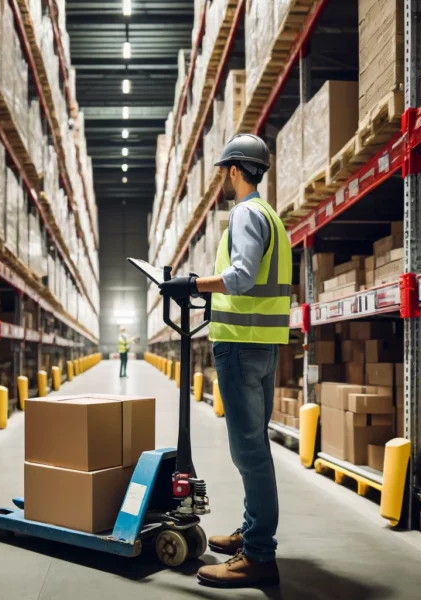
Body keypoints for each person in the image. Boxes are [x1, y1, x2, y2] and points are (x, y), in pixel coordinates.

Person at [159, 134, 291, 589]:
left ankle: (258, 556)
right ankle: (252, 535)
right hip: (261, 344)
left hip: (240, 345)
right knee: (254, 448)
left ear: (235, 170)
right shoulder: (271, 216)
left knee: (248, 451)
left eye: (222, 171)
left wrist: (193, 285)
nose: (220, 178)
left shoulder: (246, 215)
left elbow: (241, 276)